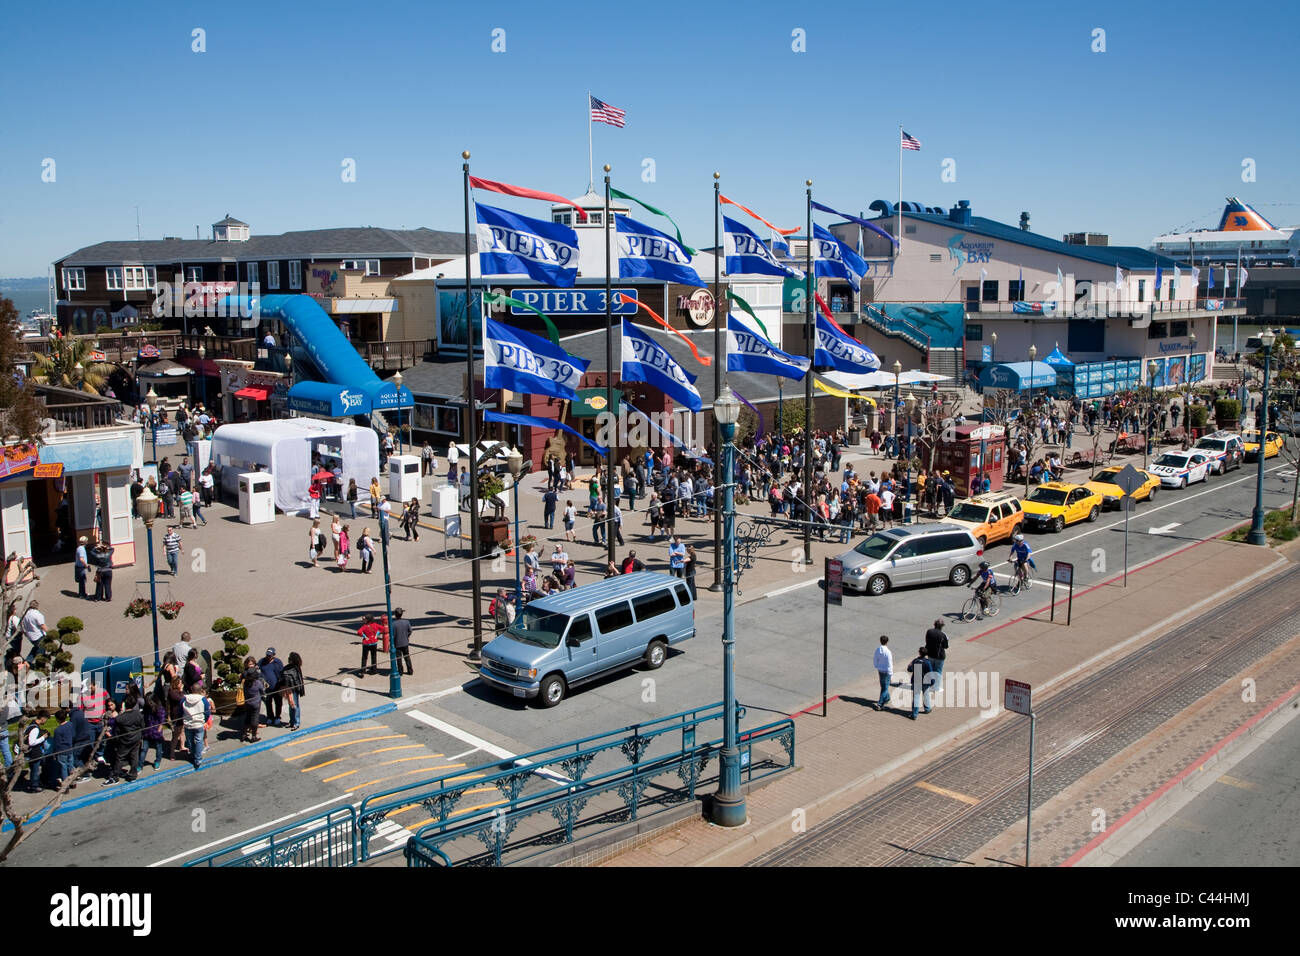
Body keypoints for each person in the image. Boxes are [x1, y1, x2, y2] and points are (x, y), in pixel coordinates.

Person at [104, 688, 143, 784]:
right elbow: (142, 726)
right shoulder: (139, 715)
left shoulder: (120, 718)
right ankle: (133, 774)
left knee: (120, 757)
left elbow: (117, 731)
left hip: (125, 740)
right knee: (134, 756)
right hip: (136, 738)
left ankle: (115, 776)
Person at [181, 685, 211, 770]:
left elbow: (180, 710)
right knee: (199, 741)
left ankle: (192, 755)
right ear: (200, 690)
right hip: (199, 724)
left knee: (190, 740)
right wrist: (204, 720)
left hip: (188, 723)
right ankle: (198, 759)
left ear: (191, 689)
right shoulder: (203, 699)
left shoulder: (184, 699)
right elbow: (207, 712)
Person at [239, 657, 266, 742]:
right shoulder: (257, 683)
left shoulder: (245, 683)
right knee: (254, 719)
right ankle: (253, 736)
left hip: (247, 702)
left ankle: (243, 734)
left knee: (247, 717)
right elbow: (262, 691)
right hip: (255, 703)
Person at [22, 717, 50, 792]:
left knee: (34, 768)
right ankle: (34, 786)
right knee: (35, 769)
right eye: (46, 719)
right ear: (43, 718)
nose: (46, 721)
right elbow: (32, 742)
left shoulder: (31, 725)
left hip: (30, 753)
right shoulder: (35, 729)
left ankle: (34, 783)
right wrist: (43, 738)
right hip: (34, 753)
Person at [259, 647, 285, 727]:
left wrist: (282, 685)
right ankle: (270, 717)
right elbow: (258, 669)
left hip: (277, 687)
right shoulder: (262, 661)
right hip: (267, 688)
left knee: (278, 703)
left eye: (270, 655)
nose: (268, 657)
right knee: (268, 703)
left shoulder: (278, 662)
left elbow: (282, 673)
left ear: (273, 655)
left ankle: (277, 717)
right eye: (267, 655)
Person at [51, 708, 76, 787]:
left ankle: (66, 784)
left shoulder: (58, 730)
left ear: (57, 719)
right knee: (70, 765)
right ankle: (73, 782)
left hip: (62, 751)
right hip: (70, 748)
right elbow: (73, 735)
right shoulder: (70, 724)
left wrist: (55, 753)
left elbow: (57, 743)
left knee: (63, 767)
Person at [908, 647, 934, 720]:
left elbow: (909, 669)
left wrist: (911, 664)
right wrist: (932, 681)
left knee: (916, 697)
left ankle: (914, 714)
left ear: (919, 653)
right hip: (925, 681)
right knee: (926, 694)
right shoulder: (927, 662)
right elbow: (930, 673)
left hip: (916, 681)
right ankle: (927, 708)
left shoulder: (915, 661)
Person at [281, 652, 305, 730]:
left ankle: (296, 723)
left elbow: (298, 680)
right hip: (288, 689)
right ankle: (292, 721)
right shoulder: (287, 668)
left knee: (294, 705)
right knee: (290, 706)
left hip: (294, 690)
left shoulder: (296, 668)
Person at [924, 619, 949, 689]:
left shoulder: (929, 631)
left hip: (930, 654)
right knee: (938, 671)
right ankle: (936, 686)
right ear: (942, 626)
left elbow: (927, 641)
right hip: (939, 656)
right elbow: (945, 646)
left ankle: (929, 684)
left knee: (930, 670)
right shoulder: (943, 635)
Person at [390, 609, 413, 676]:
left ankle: (400, 672)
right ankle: (410, 670)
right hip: (405, 642)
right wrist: (407, 636)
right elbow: (410, 631)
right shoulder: (406, 622)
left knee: (399, 659)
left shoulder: (393, 624)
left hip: (397, 644)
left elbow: (392, 635)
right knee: (407, 657)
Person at [874, 635, 893, 711]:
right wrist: (891, 673)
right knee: (885, 688)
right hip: (886, 671)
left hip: (880, 670)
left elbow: (875, 659)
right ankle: (880, 704)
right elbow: (889, 663)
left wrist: (876, 666)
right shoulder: (888, 652)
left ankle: (887, 698)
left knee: (883, 686)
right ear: (887, 642)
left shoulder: (878, 650)